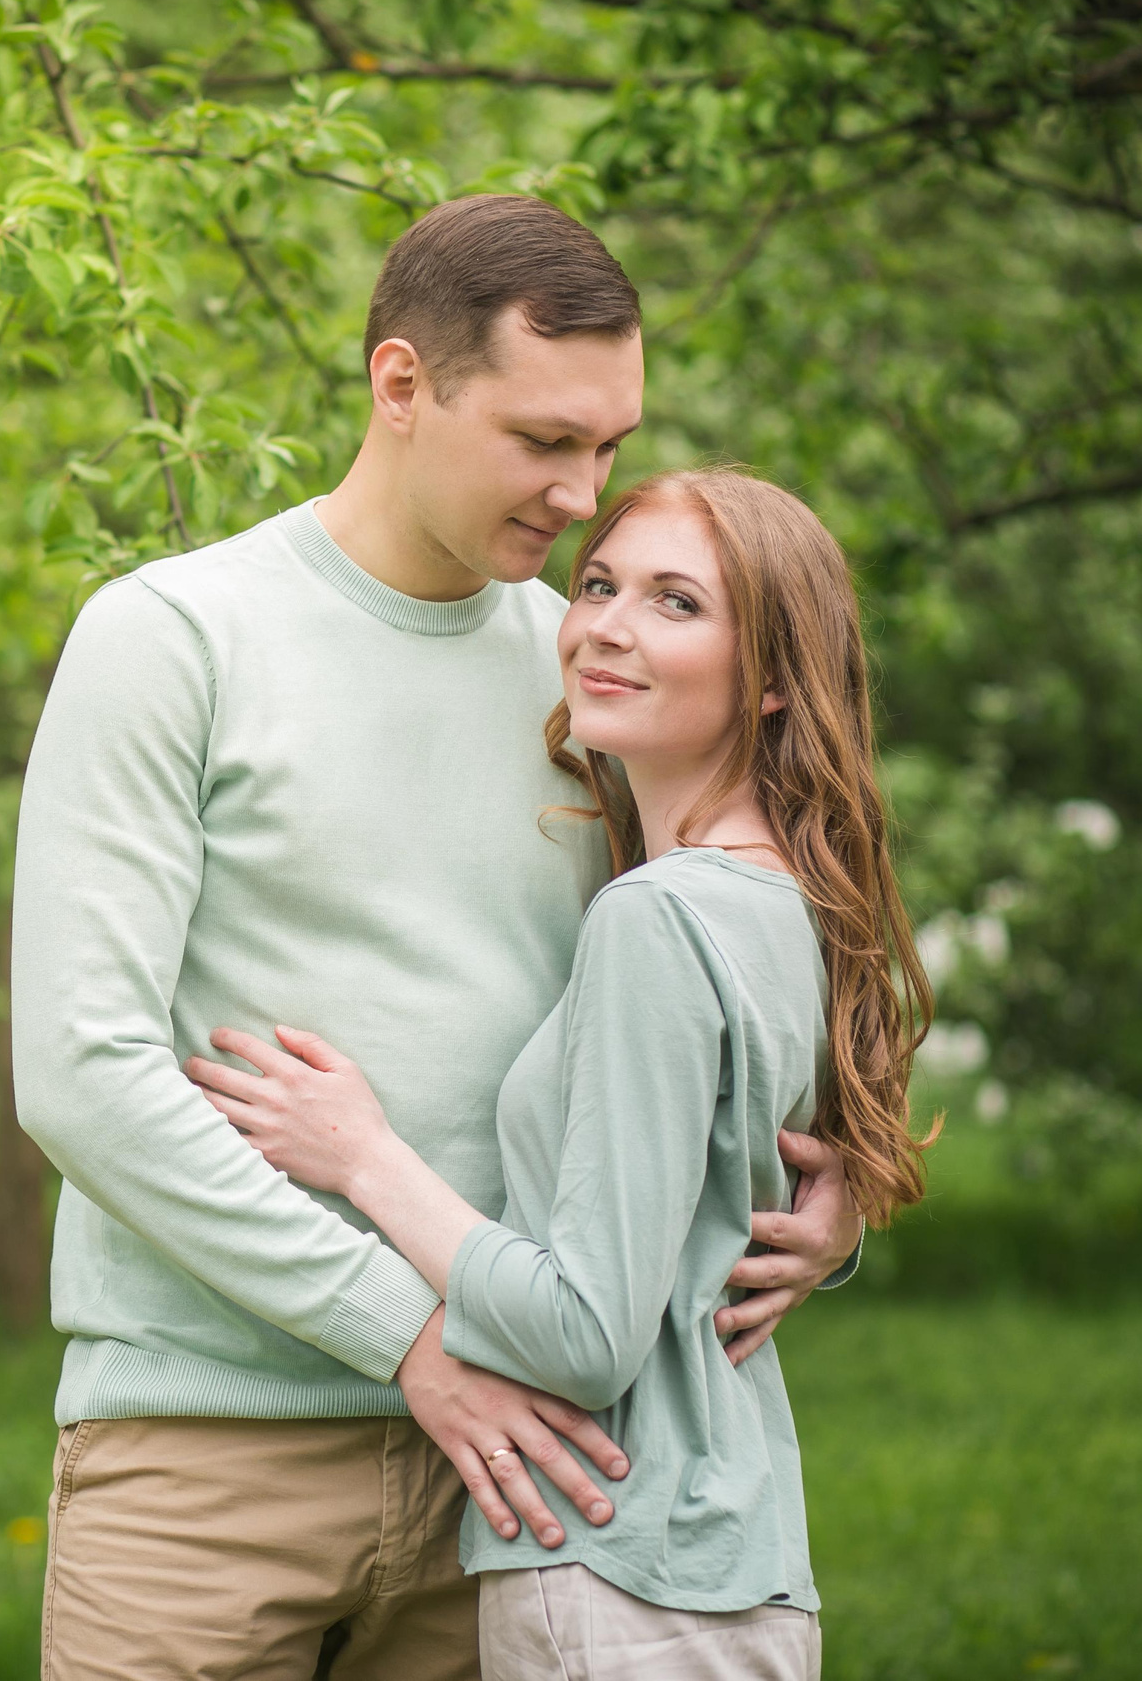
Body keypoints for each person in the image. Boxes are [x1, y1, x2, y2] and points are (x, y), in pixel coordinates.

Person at [11, 198, 866, 1681]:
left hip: (528, 1485)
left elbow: (758, 926)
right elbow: (85, 1076)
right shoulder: (174, 638)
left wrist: (834, 1172)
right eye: (546, 440)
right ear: (401, 385)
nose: (584, 491)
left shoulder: (588, 668)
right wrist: (406, 1330)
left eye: (608, 445)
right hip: (212, 1451)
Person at [189, 466, 936, 1679]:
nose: (605, 626)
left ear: (775, 681)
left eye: (678, 604)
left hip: (615, 1568)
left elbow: (585, 1336)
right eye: (596, 583)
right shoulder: (784, 898)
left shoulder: (658, 920)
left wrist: (362, 1157)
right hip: (721, 1559)